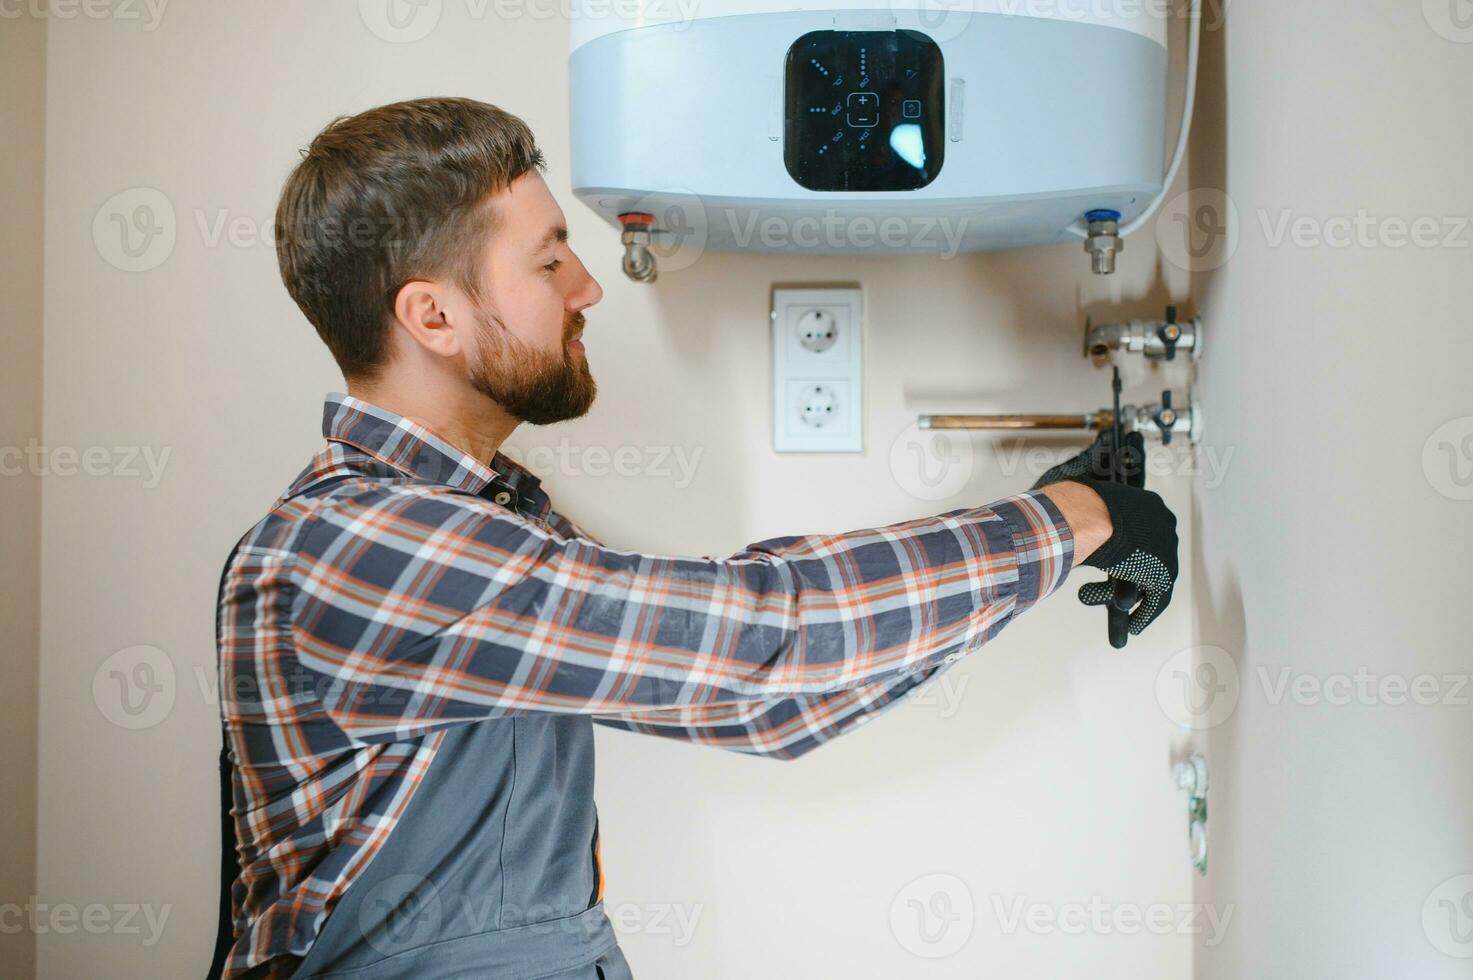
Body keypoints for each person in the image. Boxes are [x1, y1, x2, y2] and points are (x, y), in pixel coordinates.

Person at [209, 97, 1178, 979]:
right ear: (433, 315)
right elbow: (771, 645)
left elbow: (774, 695)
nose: (587, 287)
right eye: (549, 261)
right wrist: (1076, 519)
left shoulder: (487, 518)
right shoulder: (360, 545)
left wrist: (1056, 531)